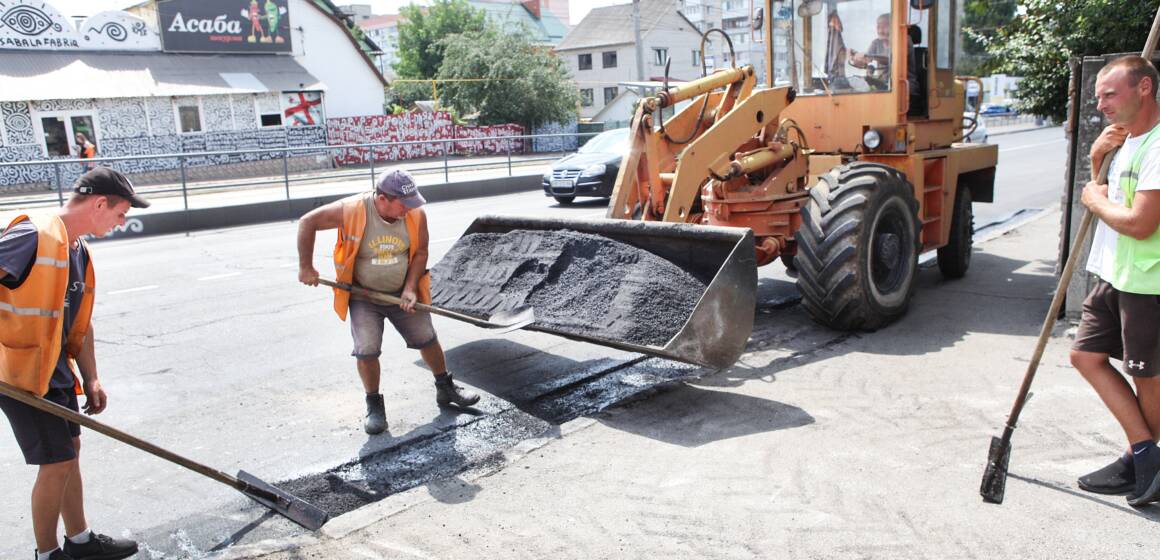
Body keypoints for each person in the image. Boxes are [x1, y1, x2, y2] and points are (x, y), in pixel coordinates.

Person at [0, 167, 149, 560]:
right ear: (100, 203)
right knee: (56, 462)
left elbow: (79, 322)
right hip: (21, 375)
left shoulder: (77, 249)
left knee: (70, 453)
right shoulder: (34, 233)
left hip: (56, 371)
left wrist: (92, 377)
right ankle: (47, 555)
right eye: (120, 214)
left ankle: (80, 541)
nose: (122, 222)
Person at [297, 167, 479, 435]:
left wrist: (409, 289)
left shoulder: (415, 214)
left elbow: (420, 253)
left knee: (427, 337)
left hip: (401, 293)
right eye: (403, 204)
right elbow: (307, 222)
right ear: (382, 199)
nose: (409, 209)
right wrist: (306, 267)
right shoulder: (352, 210)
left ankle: (445, 388)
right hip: (363, 296)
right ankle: (374, 405)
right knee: (367, 349)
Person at [1072, 55, 1160, 507]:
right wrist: (1095, 160)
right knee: (1086, 356)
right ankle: (1145, 453)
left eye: (1110, 94)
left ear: (1144, 88)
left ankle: (1142, 460)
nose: (1101, 104)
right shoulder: (1126, 141)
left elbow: (1141, 223)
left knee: (1148, 379)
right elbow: (1109, 198)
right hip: (1114, 271)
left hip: (1148, 281)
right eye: (1098, 96)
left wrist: (1092, 198)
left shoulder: (1159, 146)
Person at [848, 13, 892, 86]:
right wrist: (855, 57)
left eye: (884, 27)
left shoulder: (904, 40)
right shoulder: (876, 43)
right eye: (878, 27)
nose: (880, 31)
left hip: (902, 88)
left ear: (893, 26)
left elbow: (892, 60)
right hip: (884, 85)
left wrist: (870, 56)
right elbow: (865, 62)